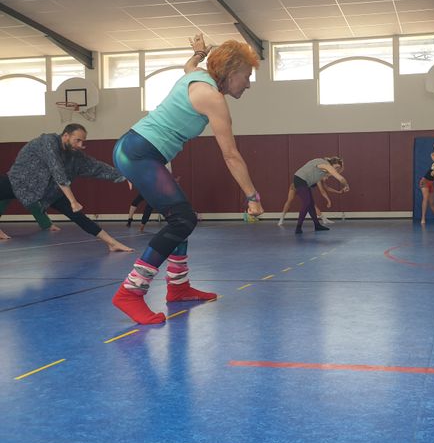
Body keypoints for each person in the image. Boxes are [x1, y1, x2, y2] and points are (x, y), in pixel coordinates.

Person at [111, 33, 262, 325]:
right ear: (231, 74)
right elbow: (230, 155)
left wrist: (198, 54)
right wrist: (252, 196)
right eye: (246, 76)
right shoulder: (212, 97)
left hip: (137, 149)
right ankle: (130, 292)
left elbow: (187, 66)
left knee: (181, 218)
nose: (248, 83)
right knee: (183, 220)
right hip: (139, 152)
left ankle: (178, 287)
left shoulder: (197, 77)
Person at [0, 124, 133, 251]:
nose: (81, 145)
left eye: (83, 141)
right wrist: (73, 201)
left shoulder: (74, 156)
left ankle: (112, 243)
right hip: (19, 182)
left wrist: (123, 175)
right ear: (65, 136)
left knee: (78, 216)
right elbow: (56, 169)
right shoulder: (48, 142)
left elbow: (95, 166)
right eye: (77, 140)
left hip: (48, 191)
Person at [292, 157, 349, 234]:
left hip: (306, 182)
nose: (336, 169)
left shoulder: (324, 171)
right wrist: (346, 186)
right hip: (300, 179)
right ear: (332, 164)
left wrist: (338, 191)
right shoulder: (326, 165)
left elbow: (326, 187)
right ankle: (298, 227)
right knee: (307, 203)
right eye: (336, 167)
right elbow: (341, 179)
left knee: (311, 204)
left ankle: (317, 225)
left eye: (338, 168)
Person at [277, 172, 344, 226]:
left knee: (312, 204)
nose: (327, 179)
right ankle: (281, 218)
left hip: (304, 188)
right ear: (323, 175)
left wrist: (338, 192)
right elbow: (322, 191)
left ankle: (324, 219)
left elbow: (327, 188)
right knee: (289, 201)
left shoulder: (321, 180)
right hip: (295, 186)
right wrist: (328, 201)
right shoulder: (318, 179)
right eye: (326, 177)